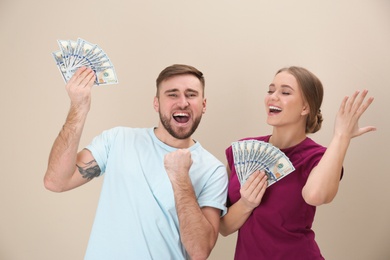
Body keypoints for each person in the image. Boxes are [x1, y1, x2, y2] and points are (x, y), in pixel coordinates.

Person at [44, 64, 228, 260]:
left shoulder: (213, 170)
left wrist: (181, 178)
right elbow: (56, 181)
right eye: (172, 94)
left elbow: (200, 252)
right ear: (156, 103)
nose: (182, 102)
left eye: (191, 95)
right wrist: (78, 107)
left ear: (204, 105)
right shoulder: (118, 139)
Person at [219, 66, 376, 259]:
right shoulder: (241, 151)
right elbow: (224, 227)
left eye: (285, 92)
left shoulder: (317, 157)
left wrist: (341, 136)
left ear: (305, 107)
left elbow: (315, 196)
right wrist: (246, 204)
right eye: (270, 90)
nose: (273, 97)